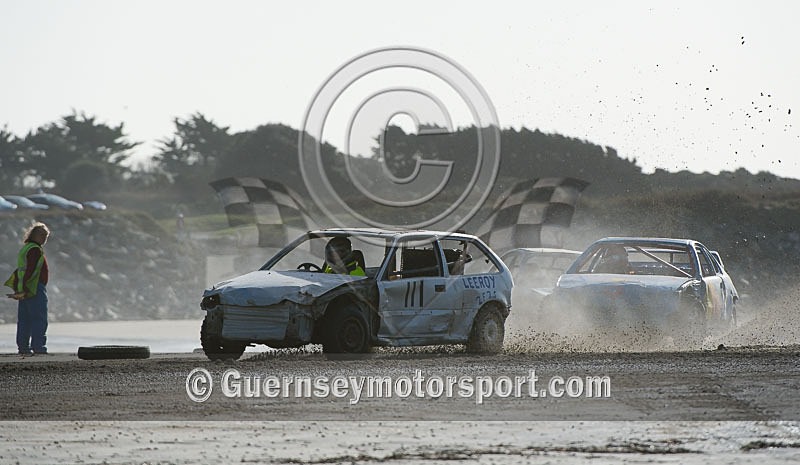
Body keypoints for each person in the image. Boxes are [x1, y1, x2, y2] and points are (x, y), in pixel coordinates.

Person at [4, 222, 50, 355]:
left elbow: (21, 270)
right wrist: (25, 289)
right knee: (39, 319)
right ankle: (39, 347)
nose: (44, 238)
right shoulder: (35, 249)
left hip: (24, 288)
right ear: (34, 234)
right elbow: (30, 270)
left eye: (46, 236)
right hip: (33, 288)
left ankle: (23, 347)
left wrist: (19, 289)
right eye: (42, 235)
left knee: (25, 320)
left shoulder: (26, 248)